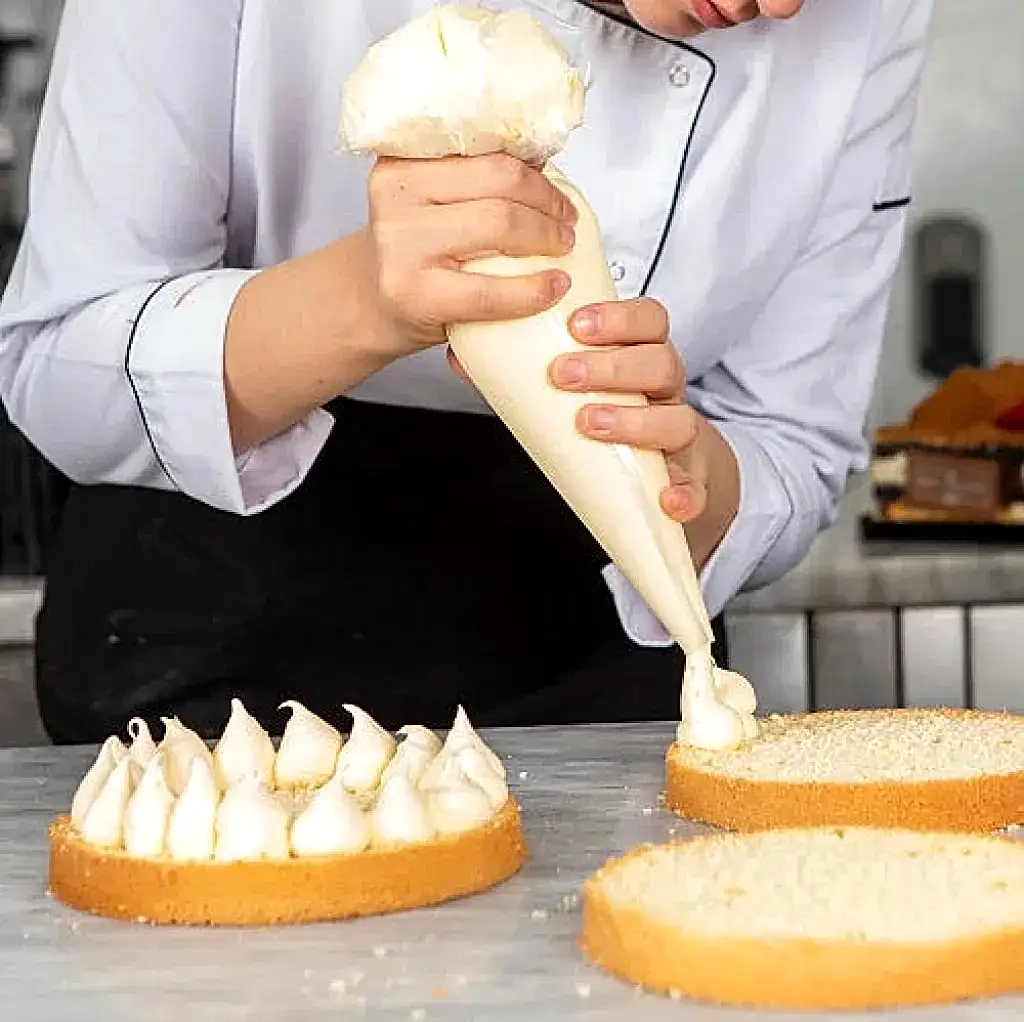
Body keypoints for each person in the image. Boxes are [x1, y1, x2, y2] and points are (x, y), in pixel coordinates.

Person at [0, 0, 933, 743]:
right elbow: (57, 367)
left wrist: (692, 480)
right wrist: (365, 299)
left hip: (602, 691)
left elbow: (795, 441)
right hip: (210, 668)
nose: (779, 5)